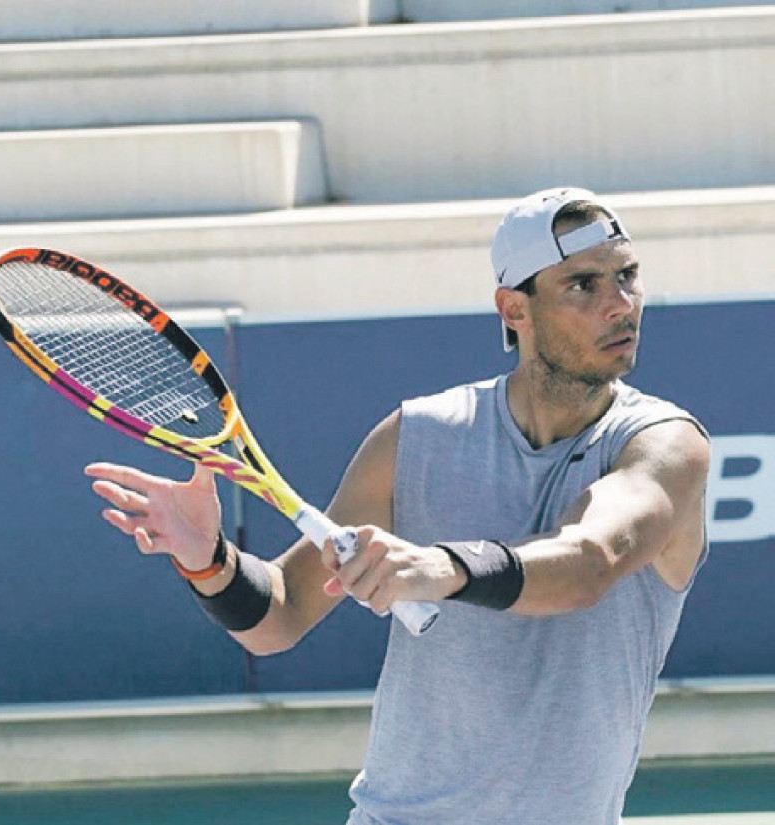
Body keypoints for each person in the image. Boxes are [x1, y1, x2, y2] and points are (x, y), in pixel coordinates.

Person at [86, 187, 710, 825]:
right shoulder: (419, 435)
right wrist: (208, 561)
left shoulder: (664, 443)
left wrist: (442, 568)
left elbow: (589, 562)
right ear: (513, 308)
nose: (620, 304)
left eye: (627, 276)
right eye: (582, 285)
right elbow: (281, 613)